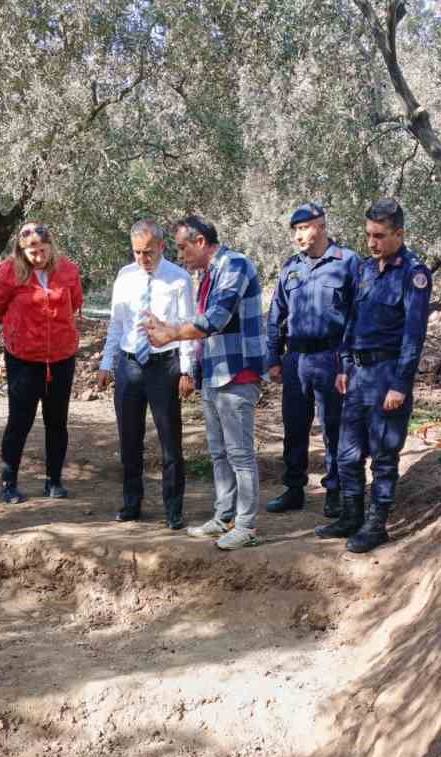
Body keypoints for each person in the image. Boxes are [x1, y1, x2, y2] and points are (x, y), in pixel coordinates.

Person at [143, 216, 267, 551]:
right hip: (215, 374)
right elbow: (203, 328)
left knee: (240, 454)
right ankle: (223, 516)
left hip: (237, 374)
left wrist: (170, 332)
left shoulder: (235, 265)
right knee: (218, 452)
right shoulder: (209, 274)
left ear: (200, 242)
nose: (180, 254)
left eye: (182, 246)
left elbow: (214, 321)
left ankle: (246, 526)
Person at [316, 198, 432, 553]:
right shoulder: (366, 269)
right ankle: (351, 515)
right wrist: (344, 365)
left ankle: (376, 524)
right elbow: (353, 321)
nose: (371, 242)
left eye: (379, 236)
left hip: (387, 374)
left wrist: (400, 384)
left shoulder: (414, 274)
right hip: (358, 374)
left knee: (383, 454)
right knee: (348, 453)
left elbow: (414, 336)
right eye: (368, 235)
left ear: (399, 233)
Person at [263, 203, 361, 518]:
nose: (298, 235)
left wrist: (349, 362)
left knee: (333, 427)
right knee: (294, 426)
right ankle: (294, 489)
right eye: (295, 230)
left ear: (320, 226)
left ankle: (335, 491)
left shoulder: (348, 263)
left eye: (304, 228)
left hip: (331, 357)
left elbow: (357, 316)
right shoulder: (291, 267)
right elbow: (276, 313)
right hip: (296, 360)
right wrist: (273, 356)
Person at [98, 220, 196, 528]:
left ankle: (173, 508)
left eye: (149, 252)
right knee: (129, 438)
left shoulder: (179, 279)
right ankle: (131, 502)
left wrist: (187, 370)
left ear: (162, 247)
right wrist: (105, 362)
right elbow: (117, 323)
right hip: (130, 364)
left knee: (170, 440)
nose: (143, 259)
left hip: (163, 365)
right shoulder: (125, 277)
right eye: (137, 252)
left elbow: (188, 328)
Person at [0, 223, 84, 503]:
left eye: (42, 250)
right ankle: (9, 483)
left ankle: (54, 481)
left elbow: (75, 302)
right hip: (24, 359)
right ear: (21, 250)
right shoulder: (7, 272)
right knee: (19, 421)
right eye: (31, 252)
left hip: (62, 357)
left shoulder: (68, 270)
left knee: (57, 421)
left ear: (51, 246)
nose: (38, 256)